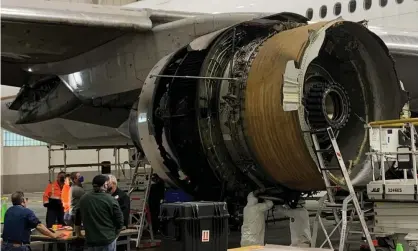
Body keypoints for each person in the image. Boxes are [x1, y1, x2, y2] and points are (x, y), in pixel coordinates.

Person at [79, 175, 125, 251]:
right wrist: (115, 235)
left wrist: (78, 233)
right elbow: (120, 221)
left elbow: (77, 217)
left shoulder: (83, 198)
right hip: (107, 240)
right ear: (104, 185)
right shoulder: (110, 199)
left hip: (90, 241)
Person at [108, 174, 130, 251]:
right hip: (109, 229)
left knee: (120, 247)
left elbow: (124, 213)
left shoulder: (123, 196)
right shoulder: (107, 195)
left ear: (113, 183)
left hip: (119, 229)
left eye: (108, 184)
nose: (106, 186)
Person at [69, 172, 85, 237]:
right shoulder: (76, 189)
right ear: (75, 179)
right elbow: (87, 196)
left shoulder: (76, 187)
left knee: (77, 232)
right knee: (77, 233)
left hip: (76, 211)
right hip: (76, 212)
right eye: (79, 176)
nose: (81, 177)